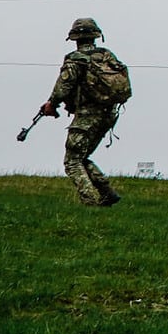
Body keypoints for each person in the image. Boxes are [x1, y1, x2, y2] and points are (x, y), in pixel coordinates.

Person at [36, 17, 132, 207]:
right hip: (109, 114)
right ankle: (106, 193)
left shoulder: (75, 60)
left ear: (74, 38)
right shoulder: (107, 55)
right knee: (81, 157)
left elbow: (63, 86)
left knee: (72, 161)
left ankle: (90, 201)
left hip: (87, 116)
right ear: (96, 36)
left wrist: (52, 104)